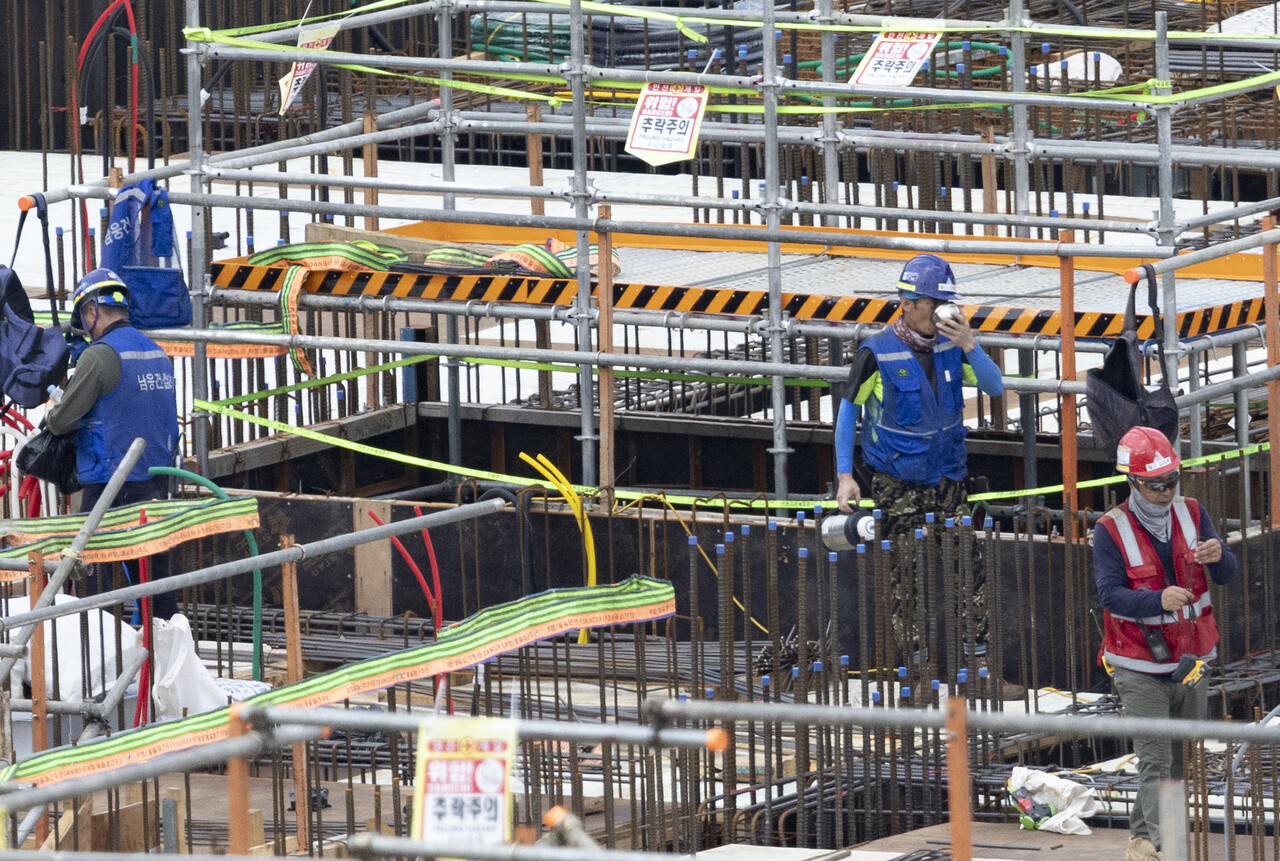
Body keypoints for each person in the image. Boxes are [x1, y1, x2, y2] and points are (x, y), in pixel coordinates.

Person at [833, 254, 1015, 696]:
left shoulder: (953, 346)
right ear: (909, 303)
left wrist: (971, 344)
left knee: (970, 571)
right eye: (935, 304)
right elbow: (847, 413)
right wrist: (844, 475)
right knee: (905, 579)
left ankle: (980, 672)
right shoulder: (876, 353)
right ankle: (918, 674)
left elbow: (994, 386)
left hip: (948, 478)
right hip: (897, 481)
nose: (942, 314)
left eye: (946, 305)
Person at [1092, 426, 1237, 861]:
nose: (1166, 491)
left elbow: (1227, 574)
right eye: (1155, 485)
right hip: (1138, 664)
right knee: (1155, 760)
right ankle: (1167, 848)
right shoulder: (1110, 529)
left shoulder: (1192, 513)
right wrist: (1157, 600)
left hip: (1191, 659)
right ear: (1133, 482)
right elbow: (1110, 595)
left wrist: (1220, 556)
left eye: (1172, 480)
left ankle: (1140, 840)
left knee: (1179, 758)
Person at [46, 268, 181, 618]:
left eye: (84, 318)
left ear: (92, 311)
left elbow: (61, 421)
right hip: (156, 480)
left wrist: (54, 405)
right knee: (153, 578)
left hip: (111, 484)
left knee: (91, 574)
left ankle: (103, 646)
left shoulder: (99, 356)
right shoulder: (156, 352)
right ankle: (166, 644)